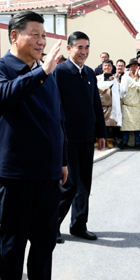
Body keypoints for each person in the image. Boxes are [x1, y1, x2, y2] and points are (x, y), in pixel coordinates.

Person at [0, 10, 68, 280]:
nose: (41, 41)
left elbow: (56, 117)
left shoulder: (48, 74)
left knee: (44, 240)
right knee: (13, 241)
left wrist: (62, 159)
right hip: (14, 173)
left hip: (47, 173)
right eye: (35, 34)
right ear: (14, 36)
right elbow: (3, 96)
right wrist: (41, 72)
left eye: (44, 36)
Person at [53, 31, 106, 243]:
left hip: (86, 137)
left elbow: (96, 104)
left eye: (86, 47)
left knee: (85, 183)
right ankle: (52, 224)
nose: (83, 52)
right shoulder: (60, 72)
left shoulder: (90, 74)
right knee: (69, 183)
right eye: (79, 47)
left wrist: (101, 132)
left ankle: (78, 225)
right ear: (69, 49)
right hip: (67, 139)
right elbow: (54, 108)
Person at [120, 58, 140, 149]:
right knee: (126, 127)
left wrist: (138, 78)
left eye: (136, 66)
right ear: (129, 67)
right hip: (127, 105)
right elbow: (122, 91)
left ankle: (138, 143)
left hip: (137, 105)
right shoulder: (125, 77)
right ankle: (124, 142)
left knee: (137, 126)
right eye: (132, 66)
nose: (134, 68)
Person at [97, 59, 122, 148]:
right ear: (102, 67)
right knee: (98, 124)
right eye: (105, 65)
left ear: (112, 67)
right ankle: (97, 139)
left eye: (109, 66)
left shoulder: (115, 79)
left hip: (111, 105)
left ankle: (109, 141)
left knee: (110, 125)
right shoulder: (97, 78)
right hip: (99, 105)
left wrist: (114, 81)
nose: (107, 67)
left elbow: (119, 91)